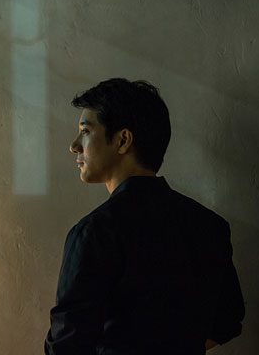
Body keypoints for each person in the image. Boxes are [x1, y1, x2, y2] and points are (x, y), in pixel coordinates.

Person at [44, 78, 244, 354]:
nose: (74, 146)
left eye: (85, 131)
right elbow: (227, 319)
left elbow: (67, 346)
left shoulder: (95, 232)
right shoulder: (209, 226)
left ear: (123, 140)